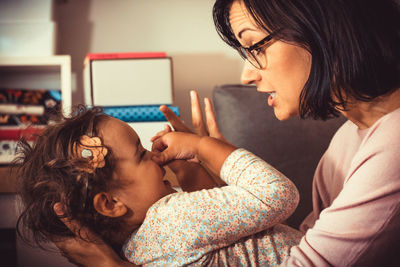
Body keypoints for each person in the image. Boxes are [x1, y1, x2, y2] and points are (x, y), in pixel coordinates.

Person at [54, 0, 400, 265]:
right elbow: (300, 242)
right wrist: (201, 174)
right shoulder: (349, 137)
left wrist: (207, 150)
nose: (248, 75)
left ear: (324, 30)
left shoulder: (392, 144)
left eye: (256, 47)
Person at [16, 106, 302, 266]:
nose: (155, 157)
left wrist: (189, 170)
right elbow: (278, 195)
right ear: (111, 203)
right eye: (141, 155)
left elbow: (216, 221)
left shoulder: (139, 248)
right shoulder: (171, 218)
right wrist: (204, 147)